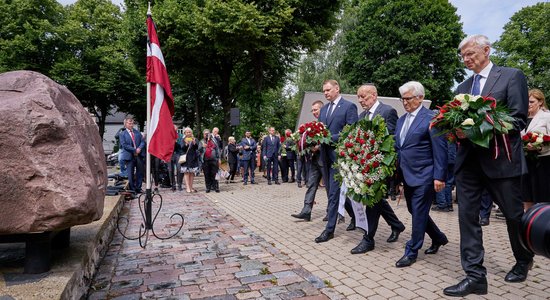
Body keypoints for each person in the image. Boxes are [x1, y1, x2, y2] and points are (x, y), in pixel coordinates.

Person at [443, 34, 534, 297]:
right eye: (463, 56)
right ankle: (474, 276)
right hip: (469, 164)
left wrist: (475, 131)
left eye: (470, 54)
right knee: (467, 218)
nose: (466, 59)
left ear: (486, 49)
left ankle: (523, 259)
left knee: (514, 217)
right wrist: (454, 131)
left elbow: (518, 120)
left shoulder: (511, 76)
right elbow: (455, 121)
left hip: (501, 162)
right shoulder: (462, 88)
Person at [394, 81, 448, 268]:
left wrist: (439, 176)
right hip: (407, 175)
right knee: (415, 210)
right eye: (402, 99)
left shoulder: (432, 118)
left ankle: (412, 251)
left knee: (417, 213)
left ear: (420, 97)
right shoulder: (401, 120)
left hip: (425, 175)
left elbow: (440, 150)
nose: (405, 102)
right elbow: (400, 147)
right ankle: (438, 237)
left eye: (408, 98)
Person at [350, 84, 406, 254]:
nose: (360, 101)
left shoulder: (388, 111)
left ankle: (368, 239)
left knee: (372, 201)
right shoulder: (362, 116)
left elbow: (392, 137)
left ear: (374, 95)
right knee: (376, 199)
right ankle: (397, 225)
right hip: (365, 165)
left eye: (363, 97)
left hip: (381, 165)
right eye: (358, 97)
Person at [314, 79, 358, 243]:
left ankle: (329, 230)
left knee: (334, 194)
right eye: (323, 91)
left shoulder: (349, 107)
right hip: (325, 157)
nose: (325, 93)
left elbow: (351, 131)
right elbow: (320, 131)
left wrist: (328, 139)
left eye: (327, 90)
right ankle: (354, 217)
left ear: (337, 89)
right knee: (333, 193)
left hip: (340, 158)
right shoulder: (324, 110)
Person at [291, 101, 325, 221]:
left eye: (316, 110)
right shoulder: (314, 125)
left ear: (322, 109)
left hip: (325, 161)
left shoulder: (327, 121)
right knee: (311, 185)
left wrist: (319, 147)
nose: (314, 112)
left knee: (331, 189)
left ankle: (346, 214)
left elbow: (329, 139)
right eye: (313, 110)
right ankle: (306, 211)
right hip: (315, 160)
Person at [522, 89, 550, 211]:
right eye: (526, 101)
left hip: (543, 162)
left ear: (540, 102)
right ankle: (528, 223)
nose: (528, 104)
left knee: (543, 195)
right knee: (526, 195)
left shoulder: (547, 116)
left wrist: (539, 145)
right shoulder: (522, 118)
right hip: (526, 161)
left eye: (531, 101)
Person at [119, 116, 145, 194]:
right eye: (129, 123)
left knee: (140, 172)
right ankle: (132, 189)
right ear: (125, 124)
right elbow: (124, 145)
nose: (131, 124)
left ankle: (138, 188)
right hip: (129, 155)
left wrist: (139, 148)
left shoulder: (137, 132)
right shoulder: (122, 134)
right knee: (130, 173)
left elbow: (142, 141)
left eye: (132, 123)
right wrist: (134, 150)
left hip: (139, 155)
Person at [432, 141, 457, 212]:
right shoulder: (452, 133)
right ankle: (449, 204)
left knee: (440, 179)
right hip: (452, 159)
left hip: (444, 160)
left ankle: (442, 204)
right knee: (449, 183)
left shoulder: (441, 133)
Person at [180, 127, 200, 193]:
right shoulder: (183, 139)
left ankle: (191, 187)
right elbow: (182, 148)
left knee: (192, 173)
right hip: (186, 158)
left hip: (193, 158)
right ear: (185, 133)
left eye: (189, 132)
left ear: (191, 133)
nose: (188, 133)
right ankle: (187, 187)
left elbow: (197, 147)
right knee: (186, 173)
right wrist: (186, 144)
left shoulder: (194, 139)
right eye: (187, 132)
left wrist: (194, 142)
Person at [169, 125, 183, 191]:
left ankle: (179, 184)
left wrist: (175, 142)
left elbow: (181, 145)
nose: (174, 130)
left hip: (178, 153)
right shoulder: (168, 135)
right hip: (170, 154)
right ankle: (173, 185)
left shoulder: (180, 136)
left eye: (176, 129)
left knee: (179, 169)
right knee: (170, 170)